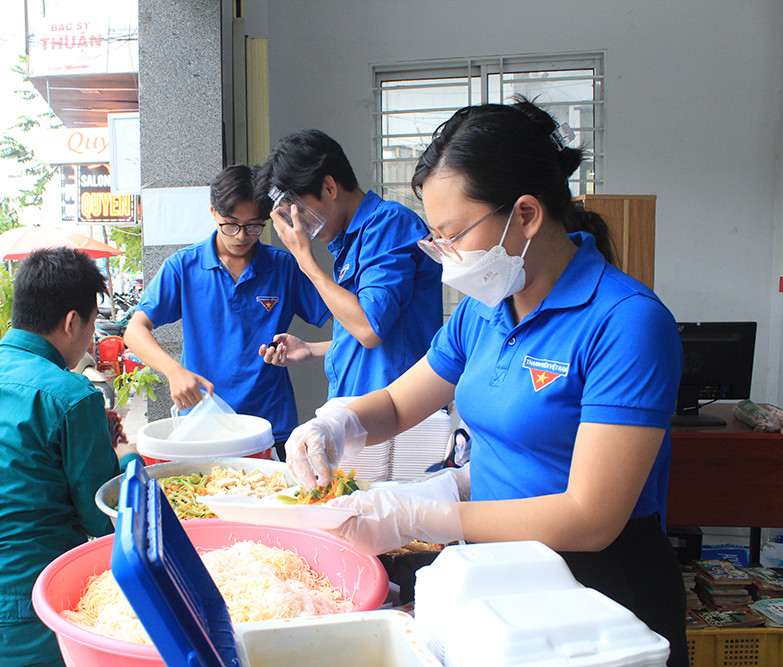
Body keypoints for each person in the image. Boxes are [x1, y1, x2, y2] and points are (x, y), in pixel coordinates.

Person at [284, 99, 686, 665]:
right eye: (435, 238)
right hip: (497, 576)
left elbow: (591, 517)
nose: (445, 257)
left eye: (453, 235)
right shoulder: (485, 310)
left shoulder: (626, 321)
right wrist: (335, 422)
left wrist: (419, 514)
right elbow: (401, 403)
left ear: (525, 216)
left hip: (598, 596)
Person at [0, 247, 120, 667]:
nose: (91, 339)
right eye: (92, 326)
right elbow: (102, 518)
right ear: (72, 322)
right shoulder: (71, 396)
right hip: (33, 606)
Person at [124, 165, 329, 455]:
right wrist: (174, 371)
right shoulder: (184, 267)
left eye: (254, 226)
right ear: (212, 213)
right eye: (230, 225)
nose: (241, 236)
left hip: (270, 428)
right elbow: (134, 330)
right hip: (202, 426)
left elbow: (350, 322)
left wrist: (312, 348)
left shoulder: (284, 266)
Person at [255, 129, 442, 399]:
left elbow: (369, 328)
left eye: (300, 212)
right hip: (364, 414)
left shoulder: (388, 224)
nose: (301, 227)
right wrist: (312, 350)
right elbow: (380, 339)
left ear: (329, 187)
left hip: (397, 421)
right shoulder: (349, 242)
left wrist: (304, 259)